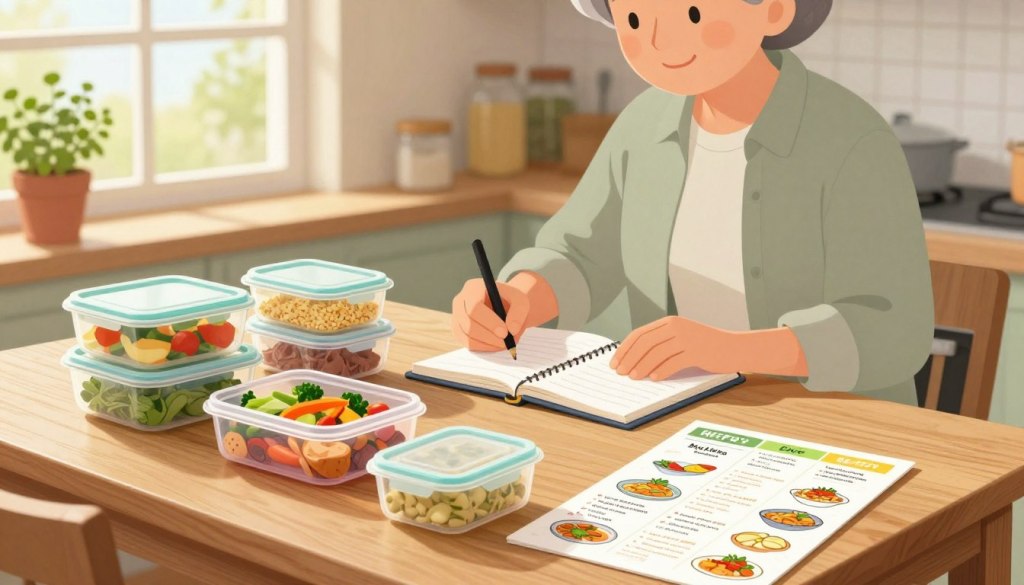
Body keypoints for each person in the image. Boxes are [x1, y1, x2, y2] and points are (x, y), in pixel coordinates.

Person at [451, 0, 934, 405]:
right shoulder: (643, 125)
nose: (660, 43)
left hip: (845, 436)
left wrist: (730, 350)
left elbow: (893, 327)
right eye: (636, 20)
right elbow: (580, 253)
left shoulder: (851, 139)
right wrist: (520, 297)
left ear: (775, 9)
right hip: (690, 420)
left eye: (694, 13)